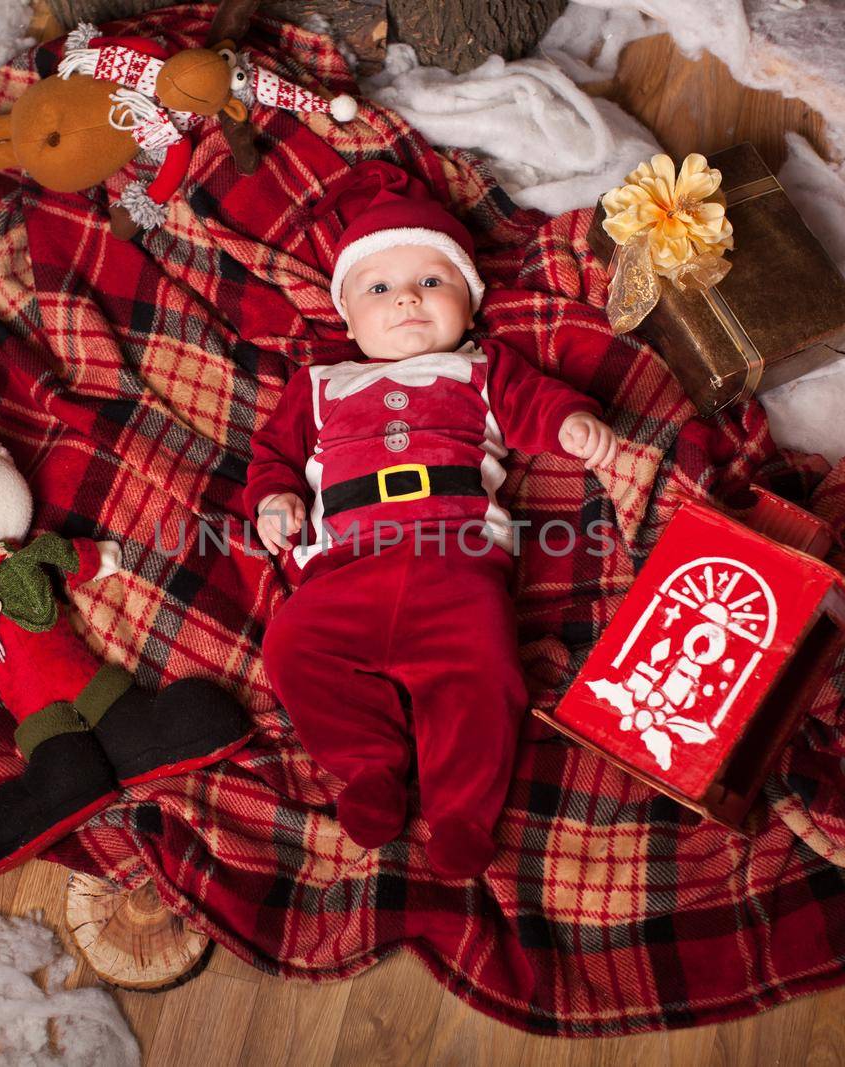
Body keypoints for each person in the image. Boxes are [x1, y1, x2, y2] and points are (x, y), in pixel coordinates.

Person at [247, 161, 617, 878]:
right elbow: (273, 454)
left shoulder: (480, 370)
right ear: (348, 315)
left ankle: (461, 813)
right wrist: (276, 499)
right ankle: (370, 767)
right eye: (380, 288)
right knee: (291, 645)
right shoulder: (320, 385)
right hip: (342, 571)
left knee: (484, 675)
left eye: (433, 281)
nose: (408, 299)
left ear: (470, 306)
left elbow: (535, 404)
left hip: (456, 566)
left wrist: (570, 423)